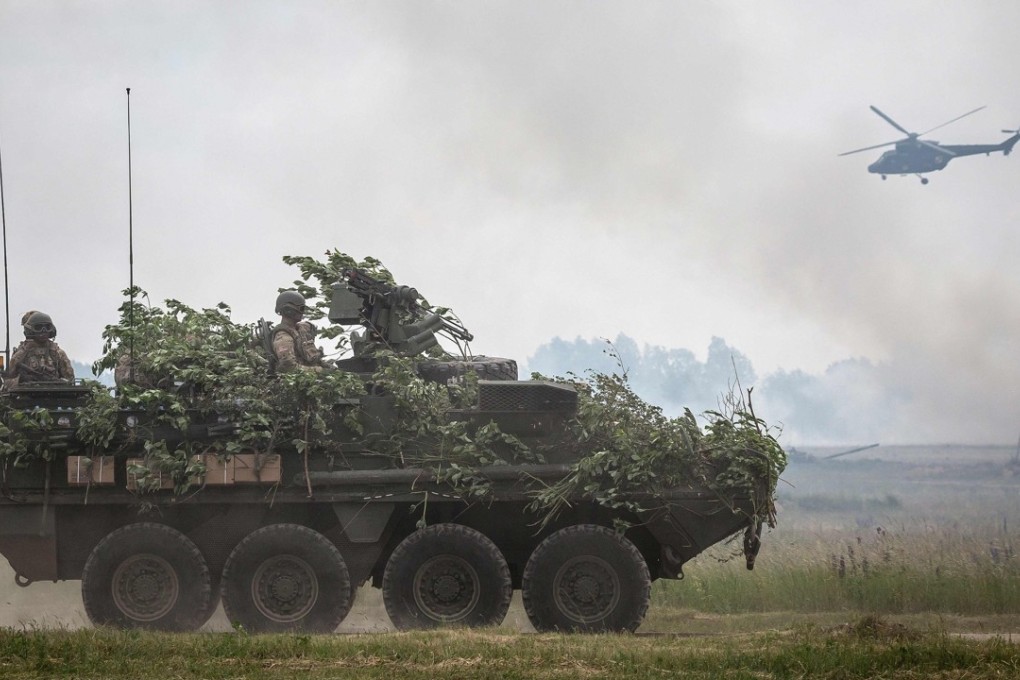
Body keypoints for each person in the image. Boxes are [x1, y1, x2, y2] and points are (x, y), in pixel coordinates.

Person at [4, 311, 75, 389]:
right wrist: (20, 380)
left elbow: (70, 381)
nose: (43, 331)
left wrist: (58, 383)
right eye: (38, 327)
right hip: (26, 397)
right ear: (30, 330)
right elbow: (6, 383)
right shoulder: (21, 354)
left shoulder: (58, 353)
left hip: (55, 396)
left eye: (47, 327)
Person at [271, 290, 327, 373]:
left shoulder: (300, 329)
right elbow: (289, 368)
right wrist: (320, 371)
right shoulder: (283, 337)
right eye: (301, 308)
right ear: (288, 310)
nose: (302, 312)